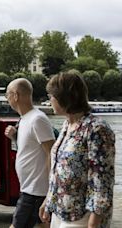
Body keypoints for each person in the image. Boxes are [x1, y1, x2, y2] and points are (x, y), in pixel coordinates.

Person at [39, 72, 115, 228]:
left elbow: (102, 178)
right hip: (61, 211)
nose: (50, 100)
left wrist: (95, 219)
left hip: (82, 216)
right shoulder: (68, 125)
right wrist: (48, 200)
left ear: (64, 97)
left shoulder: (96, 129)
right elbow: (58, 170)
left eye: (51, 96)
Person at [4, 78, 55, 228]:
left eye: (7, 95)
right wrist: (14, 136)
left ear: (15, 95)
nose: (7, 99)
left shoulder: (37, 119)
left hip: (35, 191)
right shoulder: (25, 119)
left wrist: (50, 191)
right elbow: (29, 150)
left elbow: (51, 153)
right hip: (29, 188)